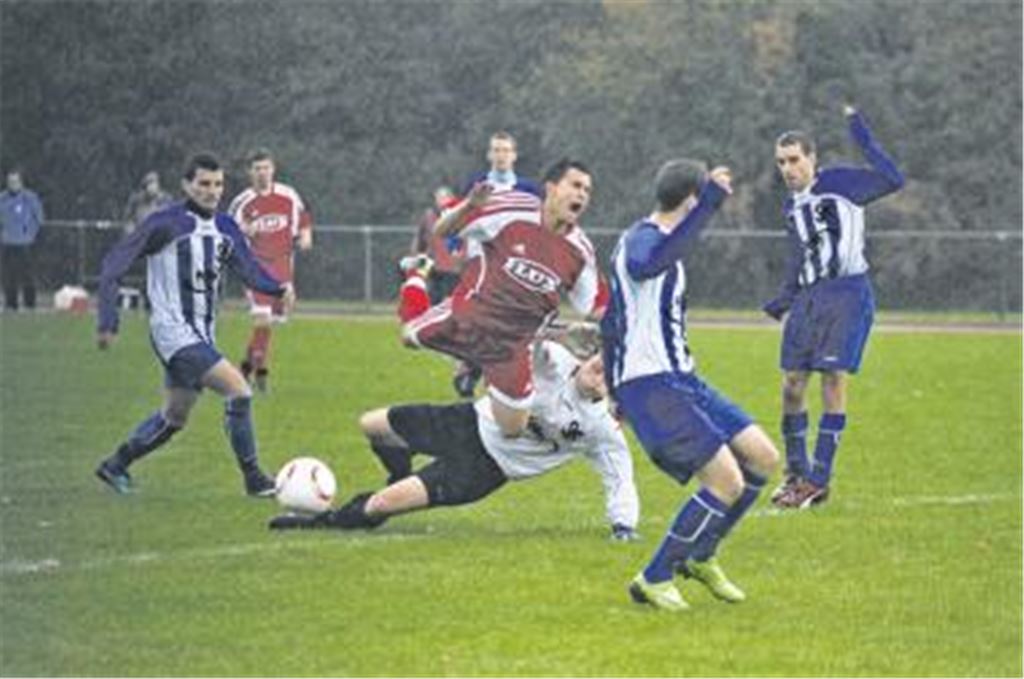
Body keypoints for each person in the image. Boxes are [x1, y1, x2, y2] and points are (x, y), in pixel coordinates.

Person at [601, 159, 780, 611]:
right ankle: (654, 577)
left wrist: (609, 381)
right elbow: (646, 266)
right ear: (690, 200)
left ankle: (701, 555)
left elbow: (611, 322)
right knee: (725, 481)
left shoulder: (662, 242)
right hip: (652, 384)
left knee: (762, 458)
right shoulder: (642, 240)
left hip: (682, 378)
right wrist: (617, 387)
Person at [268, 340, 640, 540]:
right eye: (604, 358)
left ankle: (325, 522)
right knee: (372, 425)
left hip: (482, 469)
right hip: (465, 421)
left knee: (381, 504)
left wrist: (624, 527)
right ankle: (399, 476)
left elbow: (619, 476)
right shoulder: (555, 361)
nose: (602, 369)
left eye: (613, 373)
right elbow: (525, 342)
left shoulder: (601, 428)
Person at [94, 152, 295, 497]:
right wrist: (108, 319)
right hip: (172, 331)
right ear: (187, 185)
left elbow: (247, 269)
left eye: (218, 184)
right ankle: (254, 479)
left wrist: (278, 288)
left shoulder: (225, 227)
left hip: (201, 334)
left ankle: (115, 465)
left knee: (174, 418)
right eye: (203, 183)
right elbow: (114, 262)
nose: (212, 191)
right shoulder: (166, 223)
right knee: (239, 390)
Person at [763, 105, 904, 509]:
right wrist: (784, 299)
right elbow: (798, 257)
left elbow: (893, 179)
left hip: (846, 293)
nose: (787, 169)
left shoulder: (840, 183)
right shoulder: (792, 205)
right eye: (781, 162)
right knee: (791, 384)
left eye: (794, 160)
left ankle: (818, 480)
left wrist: (859, 130)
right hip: (809, 300)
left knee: (832, 379)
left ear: (812, 159)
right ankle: (796, 473)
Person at [403, 157, 602, 439]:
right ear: (551, 188)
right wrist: (470, 206)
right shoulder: (512, 209)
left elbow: (589, 305)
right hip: (470, 315)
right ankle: (416, 277)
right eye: (576, 185)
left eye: (587, 190)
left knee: (513, 428)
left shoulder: (581, 251)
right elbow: (442, 231)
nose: (582, 194)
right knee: (407, 336)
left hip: (513, 345)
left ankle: (466, 397)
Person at [437, 131, 542, 398]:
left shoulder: (528, 189)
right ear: (489, 155)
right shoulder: (477, 185)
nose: (501, 156)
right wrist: (454, 246)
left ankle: (476, 369)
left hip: (514, 267)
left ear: (514, 155)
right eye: (496, 150)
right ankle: (473, 366)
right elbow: (457, 217)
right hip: (479, 261)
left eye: (505, 150)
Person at [228, 148, 313, 392]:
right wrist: (243, 230)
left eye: (266, 168)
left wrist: (306, 236)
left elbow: (304, 217)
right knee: (262, 319)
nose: (262, 173)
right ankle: (260, 374)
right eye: (257, 169)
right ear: (250, 172)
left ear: (273, 169)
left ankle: (246, 366)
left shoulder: (288, 195)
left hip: (283, 268)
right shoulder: (242, 202)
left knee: (268, 324)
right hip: (255, 268)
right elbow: (226, 232)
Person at [0, 168, 44, 311]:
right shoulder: (2, 199)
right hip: (7, 243)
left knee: (28, 275)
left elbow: (39, 218)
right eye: (10, 182)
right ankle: (11, 304)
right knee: (8, 275)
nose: (13, 184)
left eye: (15, 181)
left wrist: (30, 234)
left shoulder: (30, 198)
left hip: (25, 244)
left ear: (21, 182)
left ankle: (30, 304)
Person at [409, 185, 460, 304]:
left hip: (452, 266)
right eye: (439, 198)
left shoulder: (458, 215)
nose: (441, 201)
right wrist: (416, 256)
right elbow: (420, 239)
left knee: (450, 300)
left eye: (444, 197)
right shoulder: (429, 216)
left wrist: (460, 258)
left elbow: (464, 241)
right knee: (433, 298)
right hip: (431, 264)